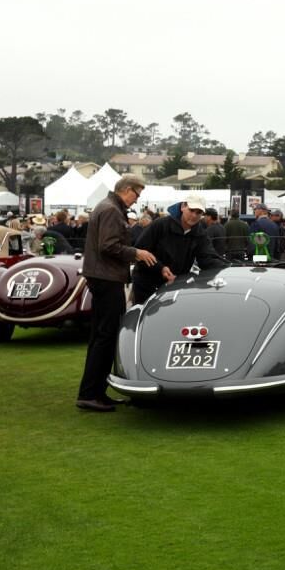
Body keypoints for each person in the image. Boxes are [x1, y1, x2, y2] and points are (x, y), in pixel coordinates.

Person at [76, 175, 158, 412]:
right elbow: (108, 245)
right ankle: (91, 393)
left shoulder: (106, 206)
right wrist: (136, 253)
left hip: (103, 276)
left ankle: (95, 391)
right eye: (137, 194)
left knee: (101, 336)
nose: (137, 199)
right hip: (106, 278)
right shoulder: (111, 210)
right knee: (106, 336)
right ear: (127, 190)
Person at [132, 194, 227, 305]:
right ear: (183, 207)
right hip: (147, 285)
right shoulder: (160, 224)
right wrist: (160, 268)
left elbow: (207, 258)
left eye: (199, 212)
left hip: (175, 286)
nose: (194, 215)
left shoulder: (199, 233)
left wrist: (226, 268)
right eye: (191, 210)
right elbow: (139, 252)